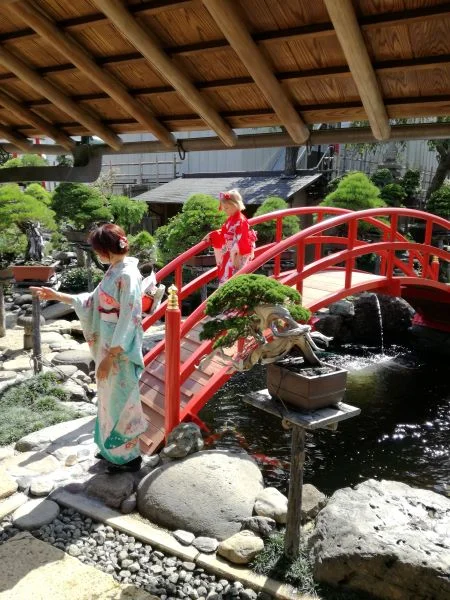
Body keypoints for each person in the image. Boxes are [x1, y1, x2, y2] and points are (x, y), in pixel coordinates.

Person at [31, 224, 147, 472]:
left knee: (121, 401)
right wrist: (58, 296)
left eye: (98, 250)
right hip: (108, 343)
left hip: (119, 349)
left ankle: (129, 458)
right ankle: (110, 450)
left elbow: (130, 317)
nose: (98, 255)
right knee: (107, 399)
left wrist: (111, 355)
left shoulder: (127, 274)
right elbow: (93, 301)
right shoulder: (114, 270)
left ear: (106, 249)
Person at [204, 189, 257, 284]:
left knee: (234, 278)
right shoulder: (231, 219)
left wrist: (237, 256)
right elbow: (225, 232)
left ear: (235, 205)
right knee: (227, 275)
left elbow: (242, 239)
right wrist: (213, 234)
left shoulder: (241, 220)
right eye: (223, 208)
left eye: (227, 208)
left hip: (237, 255)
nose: (224, 210)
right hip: (229, 252)